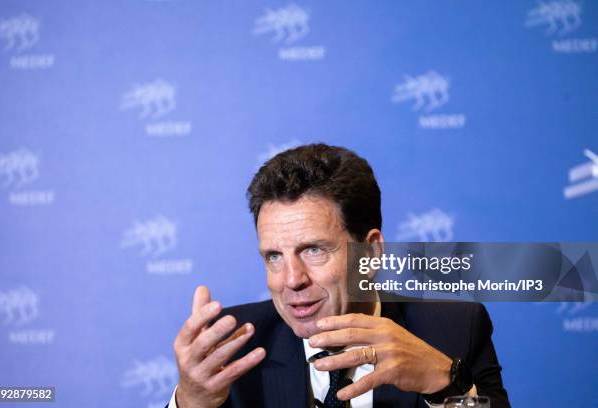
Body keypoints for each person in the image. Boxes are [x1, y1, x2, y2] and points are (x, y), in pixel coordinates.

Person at [167, 144, 510, 408]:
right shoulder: (233, 348)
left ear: (371, 252)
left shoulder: (454, 329)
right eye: (274, 256)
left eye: (313, 250)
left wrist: (446, 381)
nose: (292, 280)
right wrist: (191, 401)